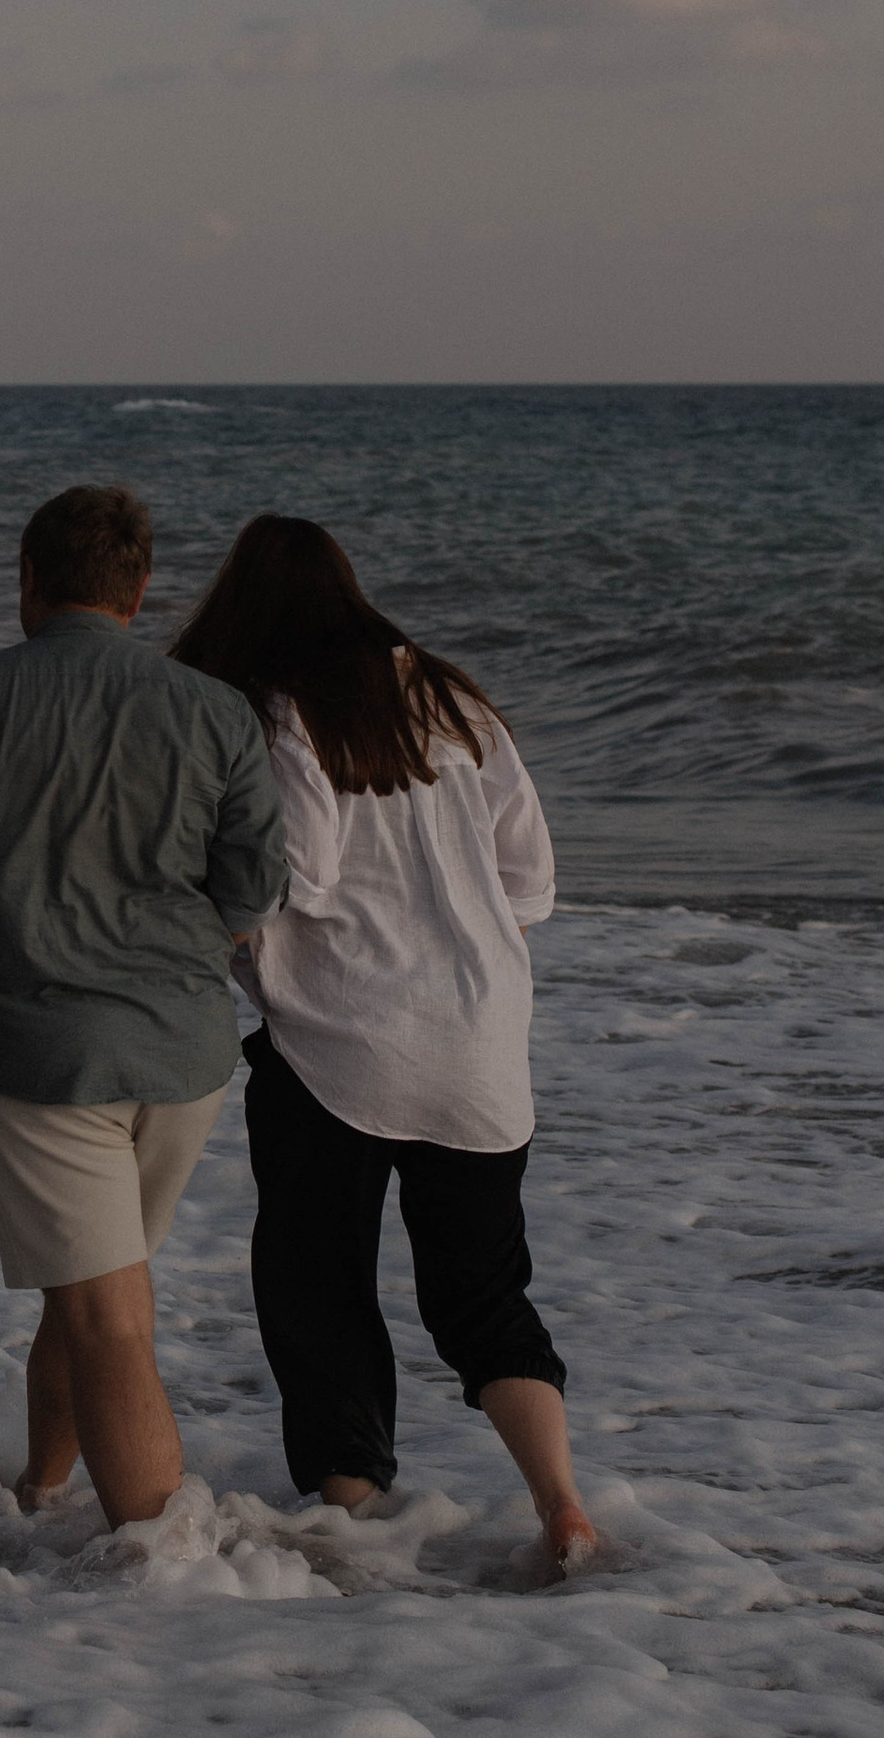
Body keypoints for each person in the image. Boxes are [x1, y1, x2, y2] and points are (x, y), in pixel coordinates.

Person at [0, 483, 288, 1530]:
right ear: (137, 593)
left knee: (108, 1315)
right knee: (93, 1285)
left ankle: (155, 1573)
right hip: (183, 1059)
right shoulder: (214, 709)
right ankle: (45, 1488)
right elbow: (254, 893)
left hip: (37, 1051)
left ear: (28, 581)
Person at [171, 513, 596, 1573]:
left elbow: (297, 876)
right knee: (483, 1293)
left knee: (317, 1280)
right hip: (480, 1039)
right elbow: (531, 883)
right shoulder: (454, 698)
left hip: (339, 1041)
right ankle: (563, 1505)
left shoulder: (283, 709)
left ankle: (353, 1518)